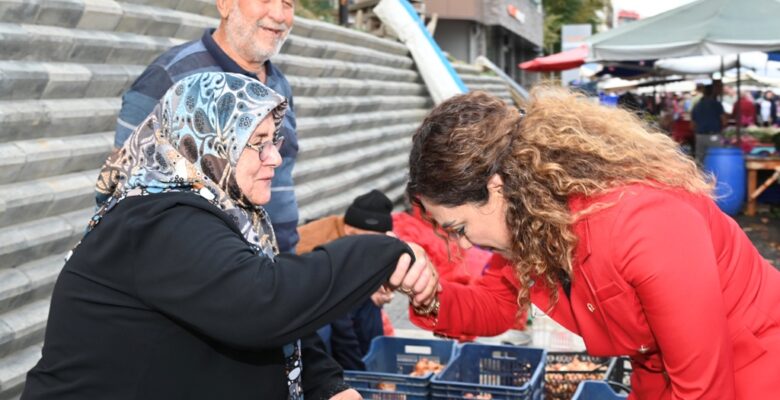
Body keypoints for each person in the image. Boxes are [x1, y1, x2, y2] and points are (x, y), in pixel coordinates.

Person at [22, 73, 439, 400]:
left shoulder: (222, 215)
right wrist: (380, 252)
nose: (274, 157)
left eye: (273, 139)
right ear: (204, 144)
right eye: (256, 143)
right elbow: (263, 303)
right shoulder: (158, 221)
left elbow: (268, 322)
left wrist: (325, 384)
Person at [405, 89, 780, 399]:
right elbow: (497, 305)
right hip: (662, 378)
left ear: (497, 188)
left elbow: (705, 387)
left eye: (459, 228)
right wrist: (428, 294)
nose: (466, 245)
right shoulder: (537, 226)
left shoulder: (642, 224)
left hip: (753, 369)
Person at [112, 0, 300, 253]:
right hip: (205, 269)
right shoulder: (171, 76)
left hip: (275, 260)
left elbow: (281, 174)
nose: (279, 15)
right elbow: (124, 181)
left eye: (288, 3)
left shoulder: (278, 85)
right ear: (224, 4)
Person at [296, 189, 399, 371]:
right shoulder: (325, 247)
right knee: (343, 320)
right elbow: (339, 316)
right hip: (300, 303)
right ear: (350, 232)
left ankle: (374, 367)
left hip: (324, 295)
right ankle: (358, 374)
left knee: (368, 304)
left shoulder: (353, 236)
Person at [691, 84, 727, 162]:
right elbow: (724, 121)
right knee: (716, 159)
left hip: (700, 136)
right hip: (713, 136)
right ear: (713, 93)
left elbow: (692, 125)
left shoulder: (697, 106)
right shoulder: (716, 104)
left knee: (700, 160)